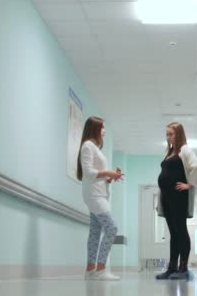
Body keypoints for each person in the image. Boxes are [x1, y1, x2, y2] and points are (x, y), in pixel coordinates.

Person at [155, 122, 197, 280]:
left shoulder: (185, 150)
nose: (168, 137)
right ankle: (172, 268)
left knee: (180, 230)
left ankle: (183, 269)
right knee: (173, 233)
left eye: (171, 134)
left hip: (178, 196)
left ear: (179, 135)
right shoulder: (168, 152)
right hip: (167, 196)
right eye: (167, 134)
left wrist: (189, 184)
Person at [77, 116, 123, 281]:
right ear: (94, 129)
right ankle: (101, 269)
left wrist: (111, 178)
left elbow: (97, 175)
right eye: (102, 127)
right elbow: (88, 173)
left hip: (98, 193)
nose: (104, 130)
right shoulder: (88, 146)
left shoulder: (94, 148)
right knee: (112, 228)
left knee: (95, 232)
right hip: (94, 195)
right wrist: (109, 173)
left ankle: (90, 270)